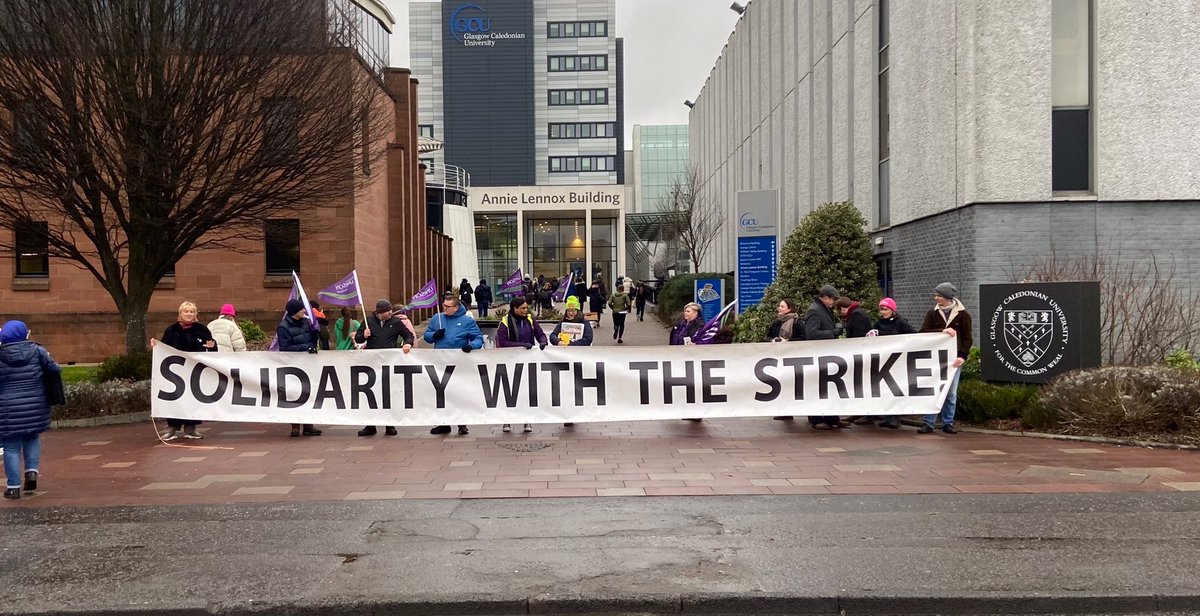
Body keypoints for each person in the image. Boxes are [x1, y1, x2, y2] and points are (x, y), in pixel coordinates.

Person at [0, 321, 60, 500]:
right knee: (32, 438)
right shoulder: (37, 351)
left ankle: (13, 487)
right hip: (35, 404)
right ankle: (32, 473)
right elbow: (55, 369)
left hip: (7, 408)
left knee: (11, 446)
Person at [154, 301, 215, 441]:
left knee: (193, 398)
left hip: (194, 372)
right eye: (186, 311)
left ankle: (191, 428)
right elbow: (163, 347)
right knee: (175, 398)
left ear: (195, 314)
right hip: (176, 372)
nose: (189, 314)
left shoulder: (202, 329)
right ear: (180, 313)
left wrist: (212, 346)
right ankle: (172, 428)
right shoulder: (172, 330)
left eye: (191, 312)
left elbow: (212, 349)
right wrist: (156, 346)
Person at [354, 299, 415, 437]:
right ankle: (370, 425)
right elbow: (358, 339)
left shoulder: (395, 322)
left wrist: (408, 343)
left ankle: (390, 424)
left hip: (389, 363)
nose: (391, 313)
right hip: (372, 364)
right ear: (380, 313)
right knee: (371, 394)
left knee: (387, 393)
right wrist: (363, 335)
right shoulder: (368, 321)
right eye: (388, 311)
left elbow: (408, 335)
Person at [917, 283, 972, 435]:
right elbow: (923, 332)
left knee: (951, 392)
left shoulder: (963, 315)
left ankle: (948, 422)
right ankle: (929, 422)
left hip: (954, 360)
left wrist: (962, 356)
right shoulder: (932, 313)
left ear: (948, 297)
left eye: (939, 295)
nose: (936, 298)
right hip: (935, 359)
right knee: (933, 390)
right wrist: (942, 331)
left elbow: (967, 338)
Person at [423, 295, 482, 435]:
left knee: (459, 392)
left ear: (456, 307)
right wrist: (434, 336)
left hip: (459, 361)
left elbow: (478, 337)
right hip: (440, 361)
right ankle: (444, 422)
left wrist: (472, 346)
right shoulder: (437, 318)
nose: (444, 309)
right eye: (443, 306)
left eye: (448, 307)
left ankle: (462, 423)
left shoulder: (467, 321)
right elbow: (427, 335)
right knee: (441, 393)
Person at [496, 296, 548, 433]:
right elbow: (502, 342)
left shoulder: (530, 320)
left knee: (526, 392)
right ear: (515, 309)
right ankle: (507, 421)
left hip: (527, 361)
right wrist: (521, 345)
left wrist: (543, 341)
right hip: (510, 361)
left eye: (527, 308)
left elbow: (540, 334)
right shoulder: (505, 322)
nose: (526, 310)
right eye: (523, 308)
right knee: (510, 392)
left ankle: (527, 420)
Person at [804, 286, 849, 430]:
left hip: (828, 354)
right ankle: (816, 419)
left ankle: (832, 418)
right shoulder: (814, 310)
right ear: (825, 297)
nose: (834, 303)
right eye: (833, 299)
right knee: (818, 388)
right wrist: (833, 332)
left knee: (830, 387)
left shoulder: (824, 309)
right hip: (818, 355)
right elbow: (812, 334)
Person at [277, 299, 322, 438]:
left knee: (308, 393)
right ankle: (295, 426)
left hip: (307, 364)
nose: (304, 311)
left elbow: (310, 341)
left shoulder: (306, 323)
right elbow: (285, 347)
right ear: (294, 312)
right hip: (293, 366)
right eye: (301, 309)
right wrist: (303, 348)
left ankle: (308, 425)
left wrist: (315, 337)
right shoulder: (283, 327)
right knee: (293, 395)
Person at [873, 297, 918, 429]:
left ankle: (895, 417)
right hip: (883, 361)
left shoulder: (901, 322)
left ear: (892, 310)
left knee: (896, 388)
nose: (882, 312)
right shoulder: (878, 323)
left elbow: (913, 335)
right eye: (881, 309)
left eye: (885, 309)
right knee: (885, 389)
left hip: (898, 361)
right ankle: (887, 416)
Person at [550, 296, 593, 428]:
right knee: (566, 387)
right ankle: (568, 414)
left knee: (577, 387)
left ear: (578, 311)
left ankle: (576, 411)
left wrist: (572, 345)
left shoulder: (584, 323)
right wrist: (558, 341)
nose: (571, 313)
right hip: (564, 361)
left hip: (578, 360)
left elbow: (588, 339)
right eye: (569, 310)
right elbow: (552, 336)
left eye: (573, 310)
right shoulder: (562, 323)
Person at [836, 295, 876, 425]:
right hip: (862, 353)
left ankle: (867, 414)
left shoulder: (856, 315)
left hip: (861, 353)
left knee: (862, 384)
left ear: (843, 308)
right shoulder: (857, 312)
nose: (841, 314)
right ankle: (859, 412)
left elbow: (858, 336)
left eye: (840, 311)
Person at [767, 299, 805, 421]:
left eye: (782, 306)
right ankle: (784, 411)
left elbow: (804, 338)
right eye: (779, 306)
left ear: (789, 309)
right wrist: (772, 340)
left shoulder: (797, 323)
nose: (779, 308)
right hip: (778, 358)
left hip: (793, 358)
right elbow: (768, 335)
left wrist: (788, 342)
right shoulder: (776, 323)